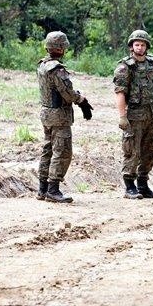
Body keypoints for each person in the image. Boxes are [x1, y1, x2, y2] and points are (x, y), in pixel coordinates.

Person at [37, 31, 92, 203]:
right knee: (62, 151)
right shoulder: (57, 69)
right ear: (61, 49)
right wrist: (81, 100)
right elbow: (67, 93)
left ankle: (43, 189)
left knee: (48, 150)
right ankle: (53, 190)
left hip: (47, 113)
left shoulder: (42, 65)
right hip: (59, 116)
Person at [114, 30, 153, 199]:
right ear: (131, 46)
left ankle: (143, 185)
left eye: (143, 44)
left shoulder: (152, 64)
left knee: (148, 151)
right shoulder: (125, 66)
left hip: (150, 114)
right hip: (134, 115)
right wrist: (122, 116)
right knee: (132, 151)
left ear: (147, 46)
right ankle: (130, 187)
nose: (140, 47)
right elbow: (120, 93)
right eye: (137, 44)